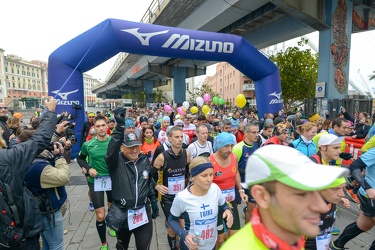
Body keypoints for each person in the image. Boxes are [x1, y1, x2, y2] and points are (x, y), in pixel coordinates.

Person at [220, 145, 349, 250]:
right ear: (262, 196)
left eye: (316, 192)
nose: (321, 206)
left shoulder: (290, 234)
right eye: (301, 194)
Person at [0, 97, 58, 249]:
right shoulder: (8, 158)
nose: (1, 129)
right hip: (19, 235)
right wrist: (51, 111)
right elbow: (39, 140)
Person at [105, 107, 159, 250]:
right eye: (130, 147)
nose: (134, 150)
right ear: (122, 147)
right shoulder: (116, 162)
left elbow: (147, 181)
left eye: (137, 146)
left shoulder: (143, 160)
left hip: (143, 212)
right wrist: (119, 127)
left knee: (144, 247)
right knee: (122, 247)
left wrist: (153, 200)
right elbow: (110, 152)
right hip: (123, 214)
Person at [168, 156, 234, 250]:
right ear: (193, 177)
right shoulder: (182, 197)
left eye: (211, 175)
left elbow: (223, 205)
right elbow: (172, 219)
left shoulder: (215, 189)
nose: (209, 179)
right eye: (204, 175)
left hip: (211, 245)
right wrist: (184, 236)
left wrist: (227, 210)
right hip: (191, 247)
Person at [23, 134, 71, 250]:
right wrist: (59, 157)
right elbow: (64, 177)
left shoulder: (28, 159)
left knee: (47, 244)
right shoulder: (38, 167)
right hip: (49, 211)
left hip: (41, 209)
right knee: (57, 246)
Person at [77, 115, 115, 250]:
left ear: (107, 126)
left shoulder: (114, 142)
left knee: (111, 209)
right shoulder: (88, 144)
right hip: (96, 181)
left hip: (112, 180)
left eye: (103, 125)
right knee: (100, 215)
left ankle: (111, 225)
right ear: (94, 128)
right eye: (98, 126)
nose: (101, 128)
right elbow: (80, 159)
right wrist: (88, 168)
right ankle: (104, 243)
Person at [153, 126, 191, 250]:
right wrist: (157, 186)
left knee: (183, 224)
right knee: (173, 227)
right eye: (176, 137)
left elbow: (188, 173)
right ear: (169, 138)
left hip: (182, 195)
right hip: (167, 197)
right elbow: (149, 174)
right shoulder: (162, 157)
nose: (180, 140)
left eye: (181, 137)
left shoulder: (186, 153)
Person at [330, 147, 375, 250]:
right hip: (371, 196)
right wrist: (367, 187)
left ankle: (336, 245)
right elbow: (354, 166)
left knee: (364, 224)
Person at [209, 132, 248, 249]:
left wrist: (241, 190)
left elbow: (235, 173)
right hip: (217, 205)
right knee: (220, 238)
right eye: (226, 146)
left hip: (231, 202)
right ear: (218, 146)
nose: (230, 149)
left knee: (234, 235)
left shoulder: (234, 157)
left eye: (231, 146)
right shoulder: (209, 161)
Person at [304, 178, 350, 250]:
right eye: (335, 189)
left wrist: (338, 200)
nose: (342, 194)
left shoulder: (329, 200)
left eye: (343, 188)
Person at [232, 123, 259, 222]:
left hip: (251, 182)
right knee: (234, 209)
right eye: (254, 132)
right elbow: (234, 169)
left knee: (252, 209)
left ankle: (249, 231)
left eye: (257, 132)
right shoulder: (238, 148)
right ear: (246, 133)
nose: (256, 135)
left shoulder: (256, 145)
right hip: (239, 182)